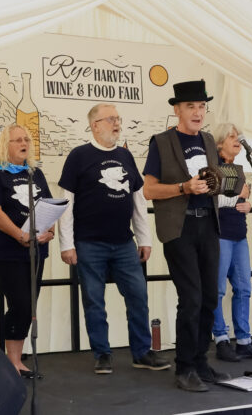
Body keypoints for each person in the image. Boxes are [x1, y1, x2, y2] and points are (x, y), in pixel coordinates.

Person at [58, 103, 169, 375]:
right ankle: (102, 354)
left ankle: (141, 352)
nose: (117, 123)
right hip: (89, 243)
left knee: (138, 295)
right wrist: (66, 244)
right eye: (110, 119)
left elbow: (138, 199)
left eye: (118, 119)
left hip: (124, 243)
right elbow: (66, 202)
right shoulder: (78, 156)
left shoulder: (125, 155)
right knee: (94, 301)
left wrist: (145, 239)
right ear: (94, 125)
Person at [143, 80, 229, 392]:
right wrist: (184, 187)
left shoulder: (208, 140)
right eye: (190, 106)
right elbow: (149, 190)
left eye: (202, 106)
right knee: (191, 298)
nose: (197, 112)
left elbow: (213, 182)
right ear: (177, 110)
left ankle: (200, 361)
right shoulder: (162, 142)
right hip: (179, 229)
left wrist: (226, 186)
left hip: (209, 225)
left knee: (210, 298)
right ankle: (184, 367)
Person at [0, 124, 54, 378]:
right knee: (19, 303)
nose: (24, 144)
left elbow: (49, 205)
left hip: (36, 251)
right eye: (17, 140)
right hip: (8, 251)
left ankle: (17, 361)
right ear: (5, 144)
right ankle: (9, 362)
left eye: (26, 140)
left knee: (29, 305)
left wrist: (50, 231)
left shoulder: (36, 173)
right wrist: (20, 235)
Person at [210, 123, 252, 362]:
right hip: (219, 234)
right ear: (219, 143)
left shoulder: (238, 168)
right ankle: (221, 339)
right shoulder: (212, 168)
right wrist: (239, 197)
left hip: (238, 234)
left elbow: (238, 200)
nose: (237, 140)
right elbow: (212, 200)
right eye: (231, 137)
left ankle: (244, 340)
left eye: (238, 137)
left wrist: (246, 204)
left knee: (244, 288)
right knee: (217, 289)